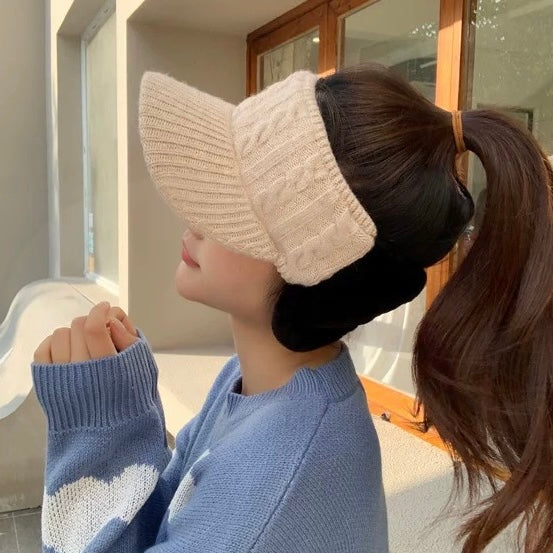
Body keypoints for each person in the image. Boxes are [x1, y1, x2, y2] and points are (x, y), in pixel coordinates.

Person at [30, 62, 553, 553]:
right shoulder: (257, 385)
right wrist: (121, 414)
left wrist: (99, 430)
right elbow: (172, 515)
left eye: (229, 203)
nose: (193, 218)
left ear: (319, 269)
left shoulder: (271, 491)